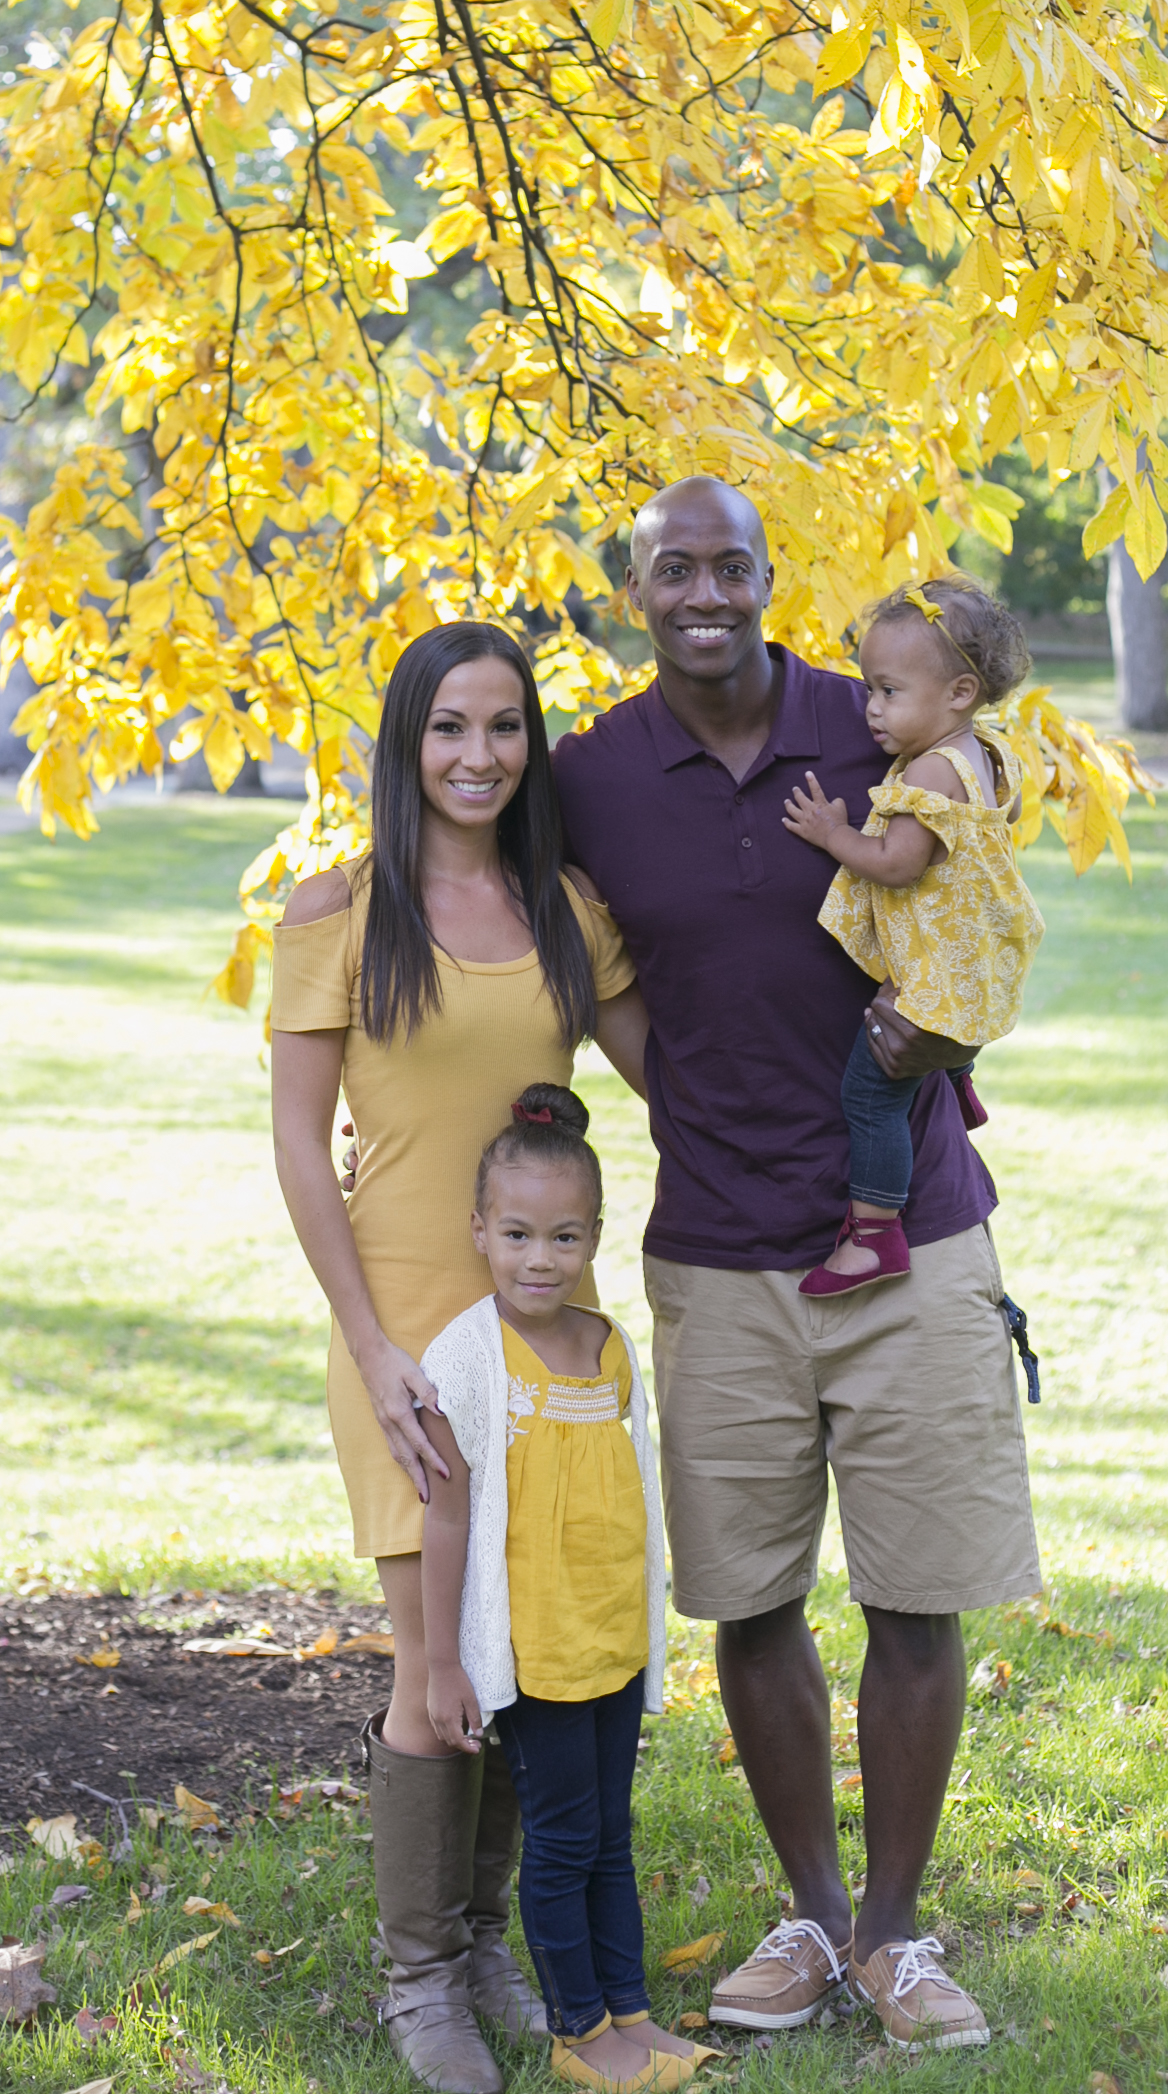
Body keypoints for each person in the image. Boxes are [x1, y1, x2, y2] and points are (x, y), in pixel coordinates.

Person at [553, 477, 1042, 2055]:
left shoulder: (880, 718)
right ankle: (816, 1916)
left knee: (919, 1596)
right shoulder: (594, 775)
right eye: (670, 566)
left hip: (915, 1239)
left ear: (771, 578)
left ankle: (898, 1936)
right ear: (636, 592)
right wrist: (660, 1078)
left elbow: (984, 842)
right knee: (750, 1600)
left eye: (732, 562)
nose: (704, 587)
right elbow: (516, 917)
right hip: (718, 1252)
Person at [270, 622, 650, 2094]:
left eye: (504, 727)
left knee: (527, 1656)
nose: (478, 755)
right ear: (404, 743)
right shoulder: (340, 912)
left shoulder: (566, 908)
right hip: (413, 1345)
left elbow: (678, 1068)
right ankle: (421, 1977)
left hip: (545, 1343)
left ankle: (490, 1936)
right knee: (434, 1669)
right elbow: (302, 1144)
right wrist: (372, 1350)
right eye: (448, 728)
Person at [416, 1083, 718, 2094]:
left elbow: (627, 1511)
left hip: (609, 1646)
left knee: (612, 1837)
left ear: (592, 1237)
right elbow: (447, 1516)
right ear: (478, 1229)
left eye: (562, 1237)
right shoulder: (467, 1356)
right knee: (560, 1840)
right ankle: (578, 2031)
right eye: (515, 1234)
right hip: (535, 1654)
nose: (538, 1259)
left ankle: (629, 2011)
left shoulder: (607, 1347)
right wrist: (445, 1663)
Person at [781, 575, 1045, 1295]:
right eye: (869, 689)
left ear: (959, 692)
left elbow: (897, 865)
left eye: (889, 692)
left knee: (870, 1094)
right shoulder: (986, 755)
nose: (870, 709)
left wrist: (833, 832)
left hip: (937, 968)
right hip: (978, 951)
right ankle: (957, 1080)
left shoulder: (929, 771)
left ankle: (874, 1235)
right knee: (938, 1036)